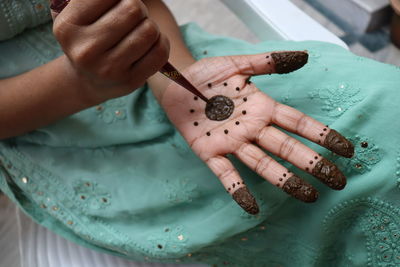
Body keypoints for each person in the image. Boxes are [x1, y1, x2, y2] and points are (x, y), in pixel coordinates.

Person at [0, 0, 399, 266]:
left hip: (176, 64)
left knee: (387, 113)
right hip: (51, 123)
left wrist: (178, 79)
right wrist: (83, 82)